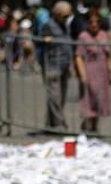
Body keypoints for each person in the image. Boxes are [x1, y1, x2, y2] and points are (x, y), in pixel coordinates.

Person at [75, 12, 111, 132]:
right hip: (89, 71)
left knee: (99, 101)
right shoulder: (83, 36)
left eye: (97, 22)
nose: (94, 25)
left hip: (102, 72)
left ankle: (94, 127)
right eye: (91, 22)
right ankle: (87, 126)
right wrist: (82, 74)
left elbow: (108, 55)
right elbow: (78, 57)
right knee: (89, 100)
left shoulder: (103, 35)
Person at [41, 1, 74, 129]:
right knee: (54, 96)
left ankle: (51, 123)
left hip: (64, 65)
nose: (67, 19)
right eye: (64, 16)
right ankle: (60, 123)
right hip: (52, 65)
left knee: (61, 97)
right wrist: (46, 40)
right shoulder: (48, 25)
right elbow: (40, 40)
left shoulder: (65, 25)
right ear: (56, 14)